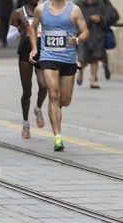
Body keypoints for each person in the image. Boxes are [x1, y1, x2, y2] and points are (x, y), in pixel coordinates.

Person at [29, 0, 89, 151]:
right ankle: (57, 137)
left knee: (65, 100)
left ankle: (56, 107)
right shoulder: (41, 9)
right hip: (48, 58)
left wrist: (76, 40)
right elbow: (33, 27)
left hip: (68, 60)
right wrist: (34, 48)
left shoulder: (74, 10)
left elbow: (85, 32)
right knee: (54, 95)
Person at [8, 0, 46, 138]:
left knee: (44, 85)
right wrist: (20, 28)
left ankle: (38, 108)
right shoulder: (19, 13)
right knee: (27, 90)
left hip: (42, 52)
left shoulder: (45, 11)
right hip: (25, 52)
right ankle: (25, 123)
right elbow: (8, 39)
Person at [75, 0, 107, 89]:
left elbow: (106, 16)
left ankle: (93, 80)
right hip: (83, 34)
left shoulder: (100, 3)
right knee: (85, 59)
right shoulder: (79, 4)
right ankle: (80, 71)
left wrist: (100, 18)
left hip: (97, 34)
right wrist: (90, 18)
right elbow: (76, 18)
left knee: (95, 59)